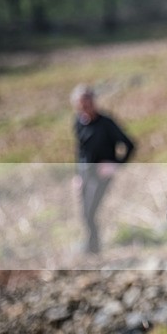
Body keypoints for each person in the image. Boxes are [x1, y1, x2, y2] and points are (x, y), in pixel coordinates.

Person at [71, 84, 135, 254]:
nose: (85, 107)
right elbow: (80, 151)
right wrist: (77, 175)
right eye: (82, 104)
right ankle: (90, 246)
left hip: (101, 176)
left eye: (88, 102)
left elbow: (129, 145)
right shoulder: (79, 122)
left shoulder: (106, 123)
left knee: (91, 212)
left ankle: (94, 249)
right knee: (84, 213)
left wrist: (115, 164)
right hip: (85, 174)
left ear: (94, 102)